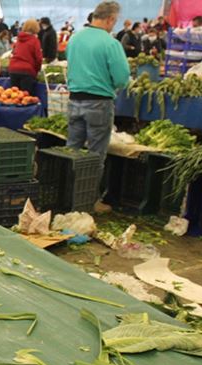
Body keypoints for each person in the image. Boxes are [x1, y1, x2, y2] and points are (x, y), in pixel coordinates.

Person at [66, 1, 129, 213]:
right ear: (110, 19)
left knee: (71, 151)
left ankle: (66, 197)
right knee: (95, 156)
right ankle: (88, 202)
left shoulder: (74, 39)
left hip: (74, 100)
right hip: (99, 103)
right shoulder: (110, 43)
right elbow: (121, 78)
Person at [9, 19, 42, 94]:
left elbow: (13, 52)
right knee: (25, 97)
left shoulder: (18, 39)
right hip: (27, 71)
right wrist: (37, 70)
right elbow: (38, 59)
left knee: (14, 96)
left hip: (13, 69)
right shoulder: (34, 40)